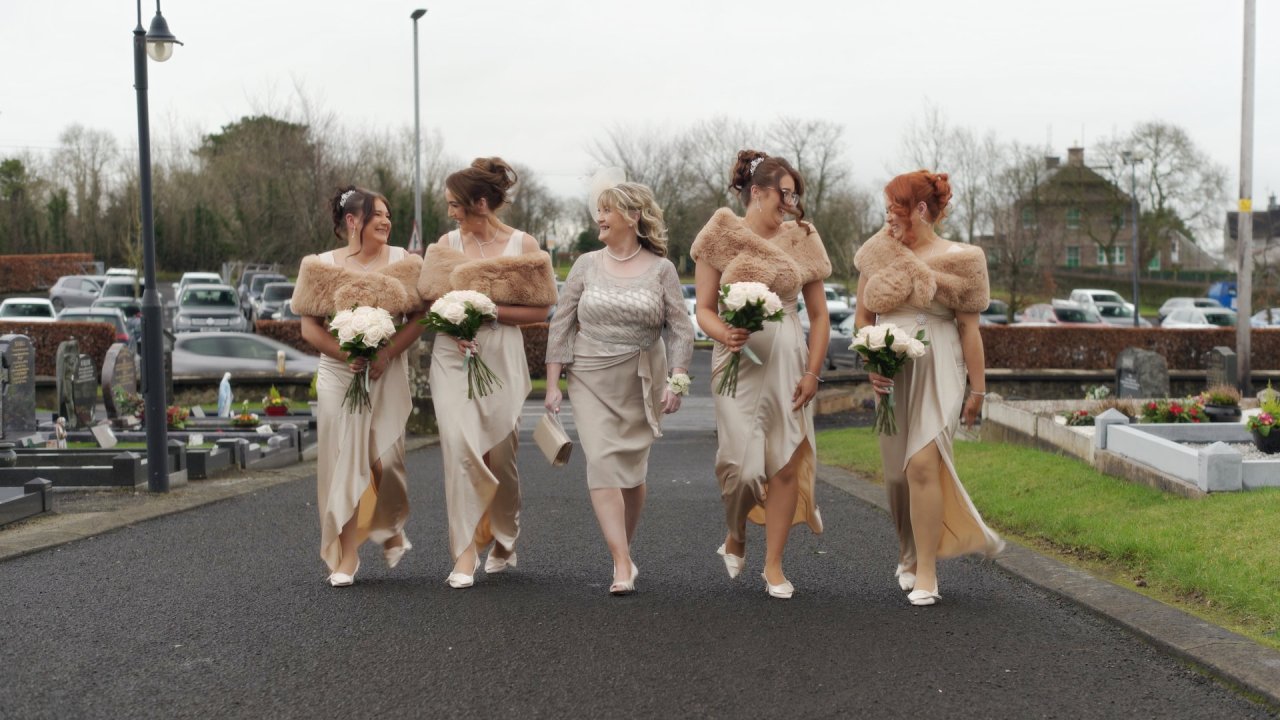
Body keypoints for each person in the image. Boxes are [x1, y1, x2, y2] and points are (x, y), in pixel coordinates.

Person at [853, 170, 1004, 607]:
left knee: (922, 465)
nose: (887, 219)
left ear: (919, 210)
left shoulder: (966, 259)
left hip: (940, 363)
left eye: (892, 209)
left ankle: (927, 573)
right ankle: (908, 551)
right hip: (892, 363)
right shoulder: (876, 253)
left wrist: (978, 392)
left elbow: (969, 329)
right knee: (897, 475)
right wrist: (871, 363)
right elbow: (863, 320)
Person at [690, 150, 831, 600]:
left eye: (795, 195)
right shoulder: (720, 235)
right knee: (740, 466)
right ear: (758, 192)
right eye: (784, 194)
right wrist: (725, 334)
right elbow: (704, 310)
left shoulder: (803, 238)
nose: (790, 203)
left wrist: (813, 372)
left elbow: (820, 316)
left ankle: (773, 565)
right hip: (734, 364)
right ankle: (735, 532)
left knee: (784, 464)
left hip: (789, 362)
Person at [544, 178, 694, 595]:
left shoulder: (662, 269)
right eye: (599, 210)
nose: (599, 218)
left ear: (633, 216)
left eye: (607, 210)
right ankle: (621, 561)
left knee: (632, 471)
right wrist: (553, 383)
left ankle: (622, 549)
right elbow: (562, 323)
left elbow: (681, 330)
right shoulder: (585, 265)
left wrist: (677, 381)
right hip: (590, 375)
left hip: (641, 377)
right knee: (603, 461)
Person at [417, 157, 558, 589]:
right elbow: (428, 300)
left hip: (500, 352)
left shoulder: (523, 245)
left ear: (480, 202)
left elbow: (542, 307)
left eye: (454, 204)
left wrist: (489, 309)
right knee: (459, 447)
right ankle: (463, 553)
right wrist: (452, 324)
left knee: (502, 456)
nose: (450, 212)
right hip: (452, 354)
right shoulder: (445, 244)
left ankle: (504, 533)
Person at [292, 185, 426, 587]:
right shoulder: (320, 266)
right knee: (342, 462)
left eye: (388, 214)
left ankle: (389, 524)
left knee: (385, 462)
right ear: (353, 221)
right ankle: (346, 557)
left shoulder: (406, 262)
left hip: (386, 373)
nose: (387, 221)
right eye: (378, 214)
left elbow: (421, 318)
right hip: (339, 375)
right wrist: (343, 354)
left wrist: (387, 354)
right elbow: (308, 326)